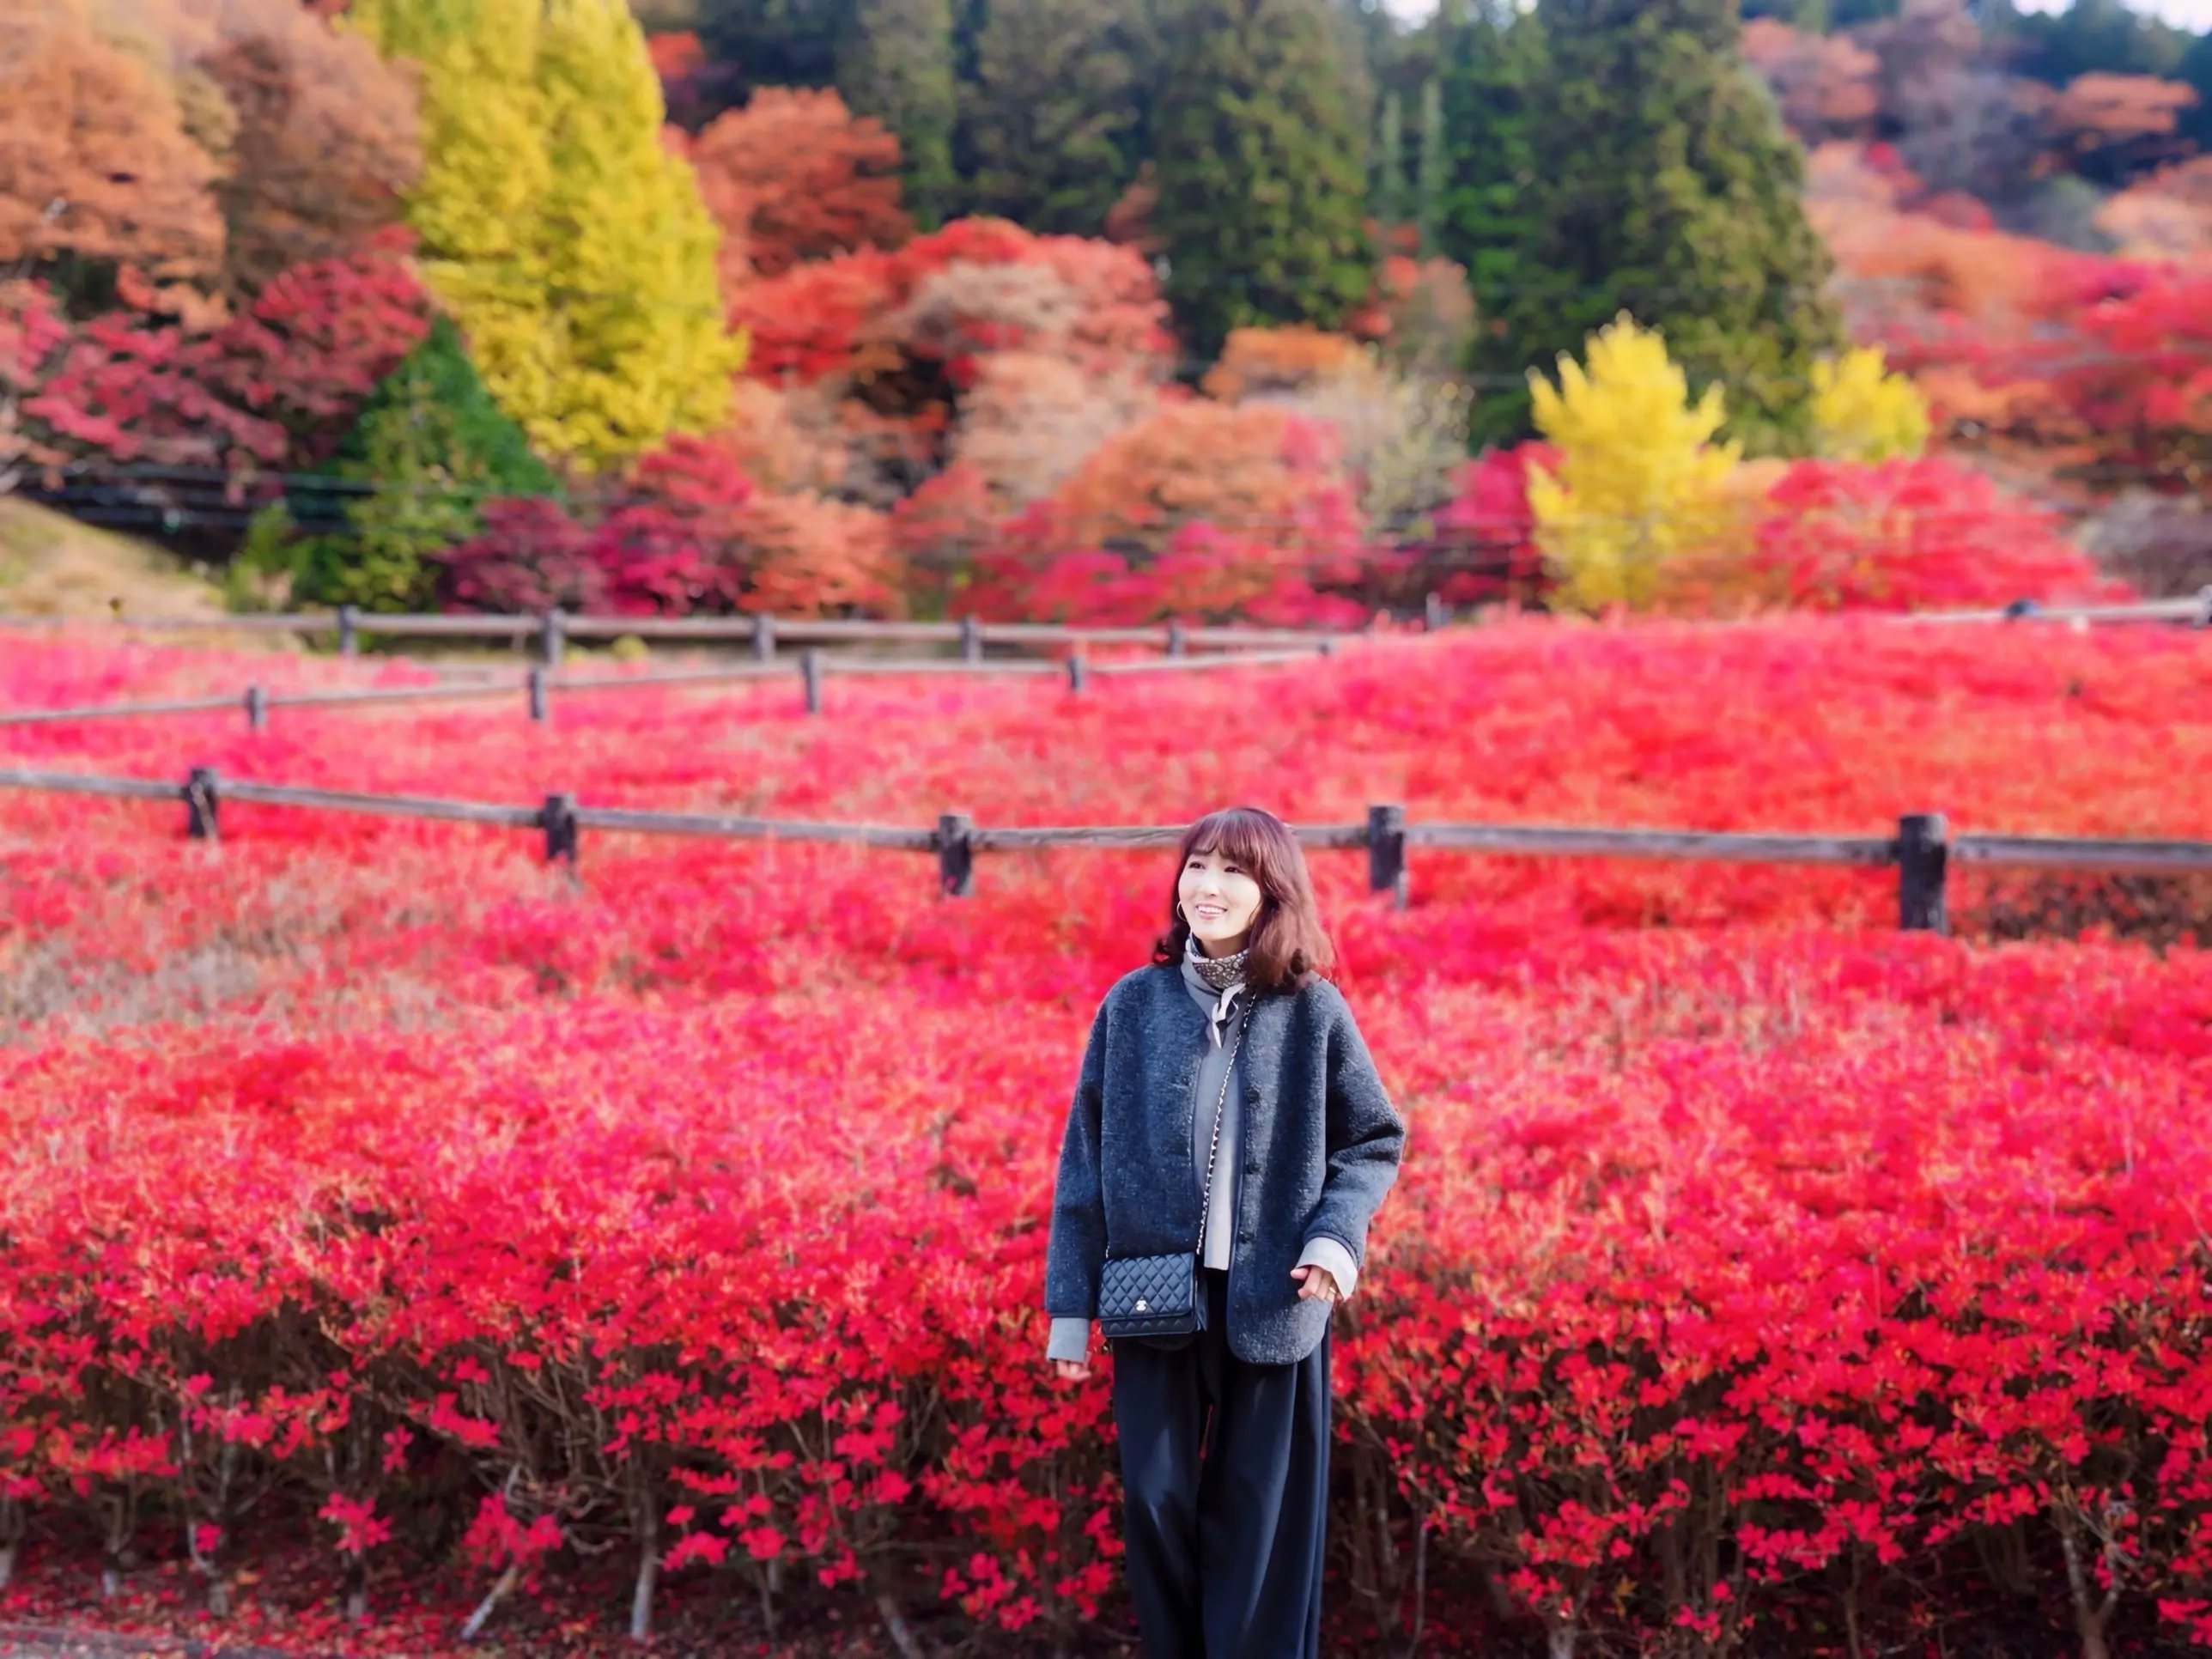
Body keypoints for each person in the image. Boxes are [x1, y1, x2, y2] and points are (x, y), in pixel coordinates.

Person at [1042, 805, 1407, 1659]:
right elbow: (1082, 1164)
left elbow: (1373, 1137)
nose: (1208, 887)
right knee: (1156, 1501)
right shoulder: (1132, 1006)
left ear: (1271, 892)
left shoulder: (1311, 1011)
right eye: (1197, 867)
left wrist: (1334, 1239)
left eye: (1233, 872)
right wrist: (1068, 1309)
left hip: (1274, 1301)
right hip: (1150, 1297)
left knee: (1259, 1520)